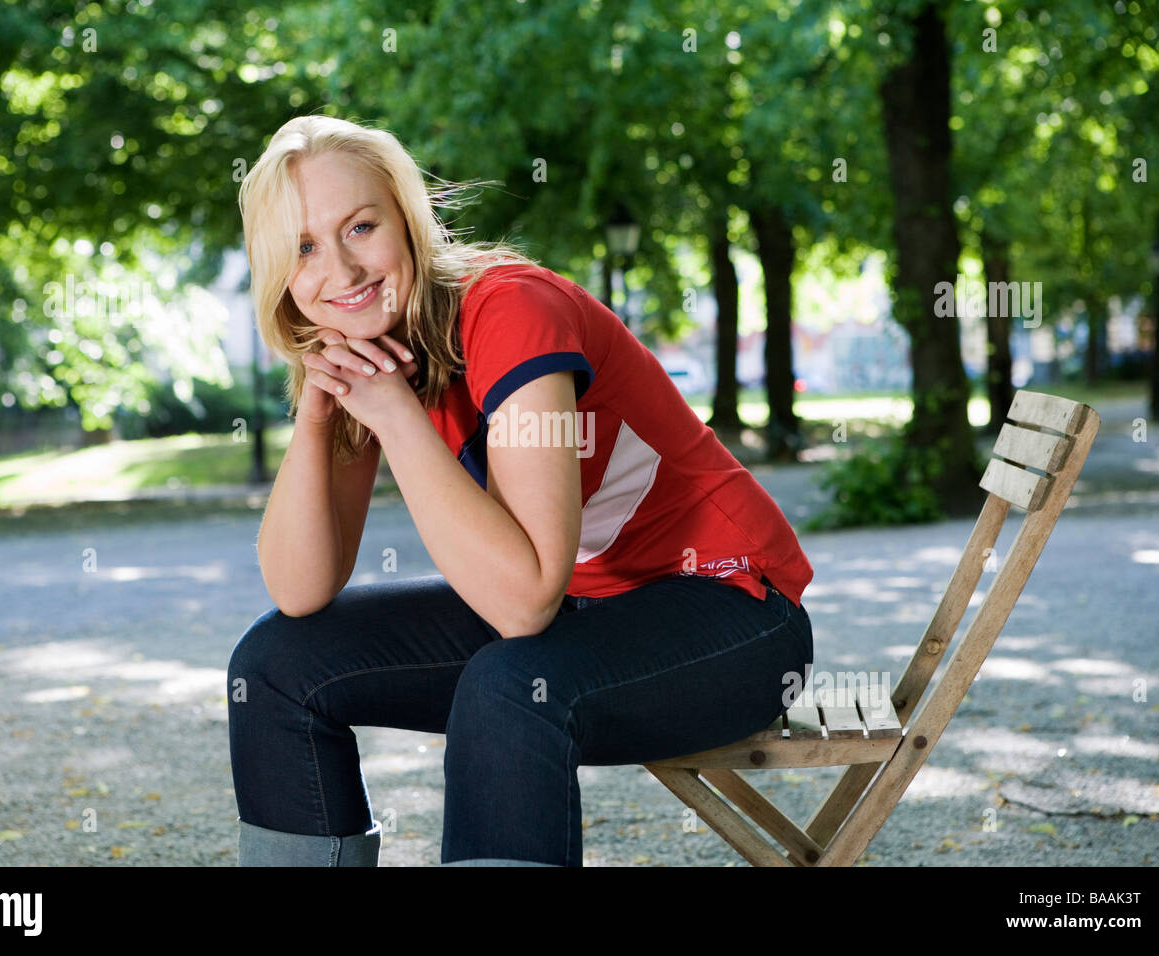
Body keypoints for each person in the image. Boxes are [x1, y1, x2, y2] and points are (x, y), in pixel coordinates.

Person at [228, 114, 815, 867]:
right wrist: (318, 414)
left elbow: (524, 600)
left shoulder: (512, 312)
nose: (339, 271)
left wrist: (394, 418)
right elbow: (299, 589)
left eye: (361, 227)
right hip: (584, 613)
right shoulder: (372, 354)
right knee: (275, 666)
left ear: (407, 222)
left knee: (511, 685)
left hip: (735, 617)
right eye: (304, 247)